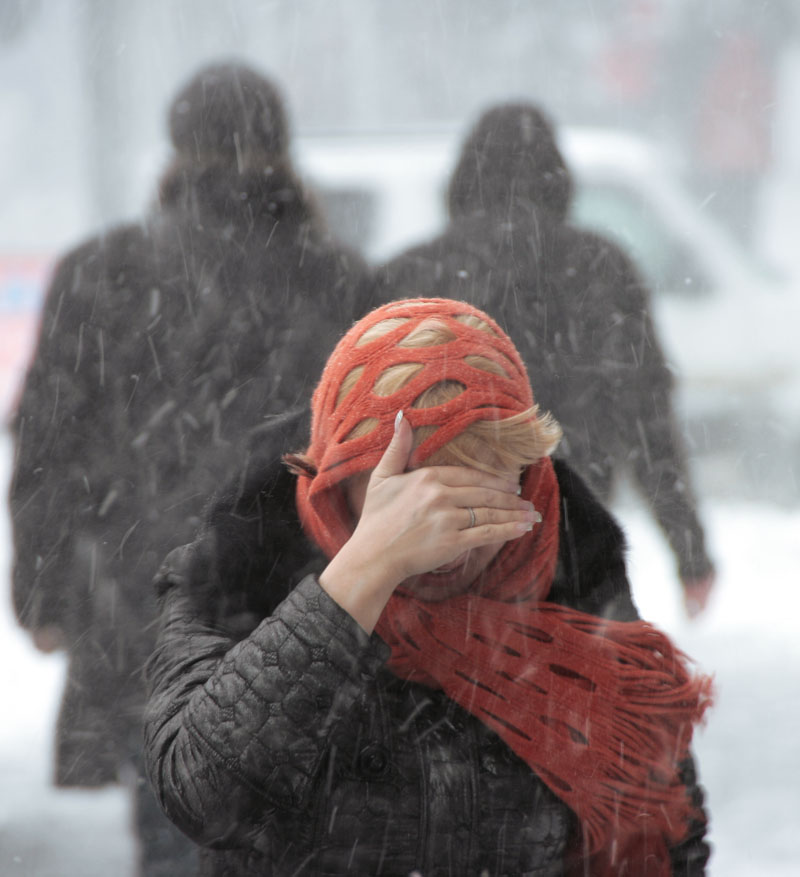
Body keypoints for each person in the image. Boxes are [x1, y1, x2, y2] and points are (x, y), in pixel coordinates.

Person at [144, 297, 713, 876]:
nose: (445, 535)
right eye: (407, 494)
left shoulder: (572, 577)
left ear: (524, 480)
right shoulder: (236, 572)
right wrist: (363, 572)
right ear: (341, 478)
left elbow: (670, 834)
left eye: (473, 494)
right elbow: (203, 795)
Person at [8, 61, 369, 876]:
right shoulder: (338, 280)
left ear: (176, 149)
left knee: (173, 824)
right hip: (303, 607)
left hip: (144, 601)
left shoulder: (102, 273)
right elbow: (378, 457)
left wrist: (41, 586)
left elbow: (49, 450)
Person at [371, 102, 716, 618]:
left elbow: (364, 425)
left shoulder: (411, 274)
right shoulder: (601, 266)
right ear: (558, 179)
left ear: (464, 177)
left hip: (440, 550)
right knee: (576, 686)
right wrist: (689, 549)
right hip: (572, 541)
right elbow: (646, 415)